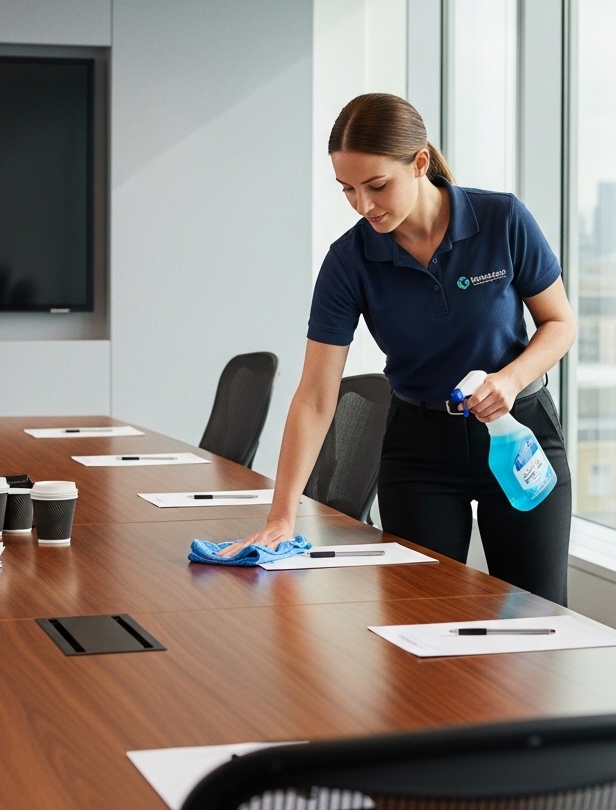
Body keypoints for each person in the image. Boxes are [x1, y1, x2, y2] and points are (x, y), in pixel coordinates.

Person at [222, 93, 576, 605]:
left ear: (419, 163)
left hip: (519, 432)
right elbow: (316, 397)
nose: (363, 206)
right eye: (348, 190)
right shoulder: (349, 261)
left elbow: (559, 323)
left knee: (536, 621)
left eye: (377, 186)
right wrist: (281, 518)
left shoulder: (502, 219)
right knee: (418, 621)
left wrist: (512, 379)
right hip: (420, 449)